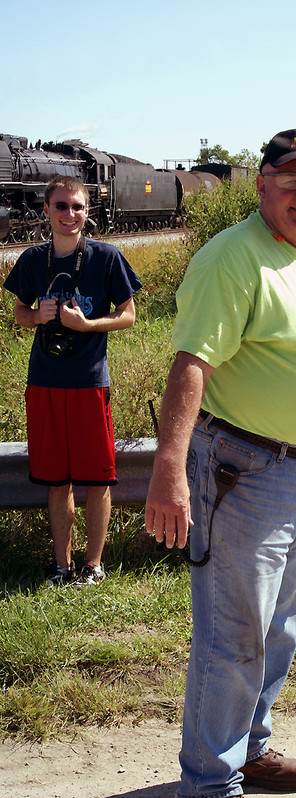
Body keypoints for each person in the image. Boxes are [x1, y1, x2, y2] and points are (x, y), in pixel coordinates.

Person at [144, 128, 296, 798]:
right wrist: (167, 472)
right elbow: (191, 365)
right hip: (241, 473)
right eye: (291, 179)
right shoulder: (231, 258)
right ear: (262, 184)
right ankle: (210, 784)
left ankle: (250, 750)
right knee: (233, 636)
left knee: (277, 628)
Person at [3, 175, 142, 587]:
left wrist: (87, 325)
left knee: (97, 478)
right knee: (55, 479)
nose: (70, 214)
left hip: (89, 382)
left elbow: (129, 315)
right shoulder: (31, 260)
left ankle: (93, 565)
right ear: (45, 211)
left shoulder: (106, 257)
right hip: (44, 382)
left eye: (78, 207)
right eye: (61, 206)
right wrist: (38, 317)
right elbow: (19, 314)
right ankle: (61, 566)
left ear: (88, 210)